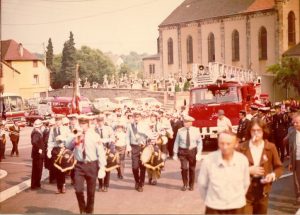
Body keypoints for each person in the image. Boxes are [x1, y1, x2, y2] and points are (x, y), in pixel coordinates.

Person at [238, 118, 283, 214]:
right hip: (245, 192)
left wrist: (272, 175)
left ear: (263, 131)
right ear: (249, 131)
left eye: (258, 130)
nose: (256, 133)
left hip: (263, 191)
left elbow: (279, 167)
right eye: (253, 130)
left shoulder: (270, 147)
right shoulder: (241, 148)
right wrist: (247, 170)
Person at [198, 131, 250, 214]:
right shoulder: (209, 160)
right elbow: (202, 184)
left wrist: (236, 199)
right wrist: (211, 201)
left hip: (236, 207)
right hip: (214, 208)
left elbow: (246, 183)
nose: (225, 147)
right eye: (222, 143)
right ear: (218, 143)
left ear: (235, 144)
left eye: (228, 144)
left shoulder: (242, 160)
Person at [66, 115, 106, 214]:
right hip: (79, 165)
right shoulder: (76, 135)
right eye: (80, 123)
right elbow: (68, 146)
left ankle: (89, 211)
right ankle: (82, 209)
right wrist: (74, 136)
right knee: (78, 190)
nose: (81, 125)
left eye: (83, 123)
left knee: (91, 192)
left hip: (91, 165)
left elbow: (100, 152)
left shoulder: (95, 136)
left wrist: (102, 167)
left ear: (88, 124)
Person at [173, 115, 203, 191]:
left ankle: (191, 185)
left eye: (187, 122)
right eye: (184, 122)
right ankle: (185, 184)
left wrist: (199, 153)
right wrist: (175, 153)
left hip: (192, 151)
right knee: (184, 168)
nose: (185, 124)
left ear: (191, 123)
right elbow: (176, 142)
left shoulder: (196, 130)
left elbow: (199, 142)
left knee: (192, 169)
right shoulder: (180, 131)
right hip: (182, 151)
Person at [47, 114, 71, 194]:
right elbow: (50, 141)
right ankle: (58, 187)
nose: (57, 122)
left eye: (59, 120)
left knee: (62, 169)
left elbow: (70, 138)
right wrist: (49, 151)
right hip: (55, 150)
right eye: (56, 120)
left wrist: (63, 139)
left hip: (63, 149)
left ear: (61, 120)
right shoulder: (52, 129)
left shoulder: (65, 128)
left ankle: (63, 185)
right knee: (56, 169)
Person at [126, 111, 148, 192]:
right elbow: (127, 136)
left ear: (140, 117)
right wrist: (128, 146)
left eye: (138, 117)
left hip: (143, 147)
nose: (136, 118)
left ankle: (141, 183)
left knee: (142, 166)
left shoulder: (144, 125)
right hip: (134, 147)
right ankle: (137, 181)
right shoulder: (129, 126)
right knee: (135, 167)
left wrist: (145, 141)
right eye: (135, 117)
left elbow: (148, 135)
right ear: (133, 117)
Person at [95, 114, 115, 192]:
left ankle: (106, 185)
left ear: (103, 121)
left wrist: (104, 140)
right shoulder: (95, 130)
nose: (100, 123)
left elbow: (112, 138)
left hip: (107, 149)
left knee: (107, 168)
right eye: (98, 121)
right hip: (98, 151)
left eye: (101, 121)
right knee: (99, 168)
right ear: (97, 122)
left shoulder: (108, 128)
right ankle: (100, 185)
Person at [288, 112, 300, 205]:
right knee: (296, 180)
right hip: (296, 160)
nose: (295, 124)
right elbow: (291, 150)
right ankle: (298, 196)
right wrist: (290, 163)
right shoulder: (292, 134)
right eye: (294, 123)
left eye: (297, 122)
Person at [31, 119, 46, 190]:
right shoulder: (36, 133)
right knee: (37, 169)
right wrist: (39, 149)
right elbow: (34, 142)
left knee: (37, 169)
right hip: (38, 154)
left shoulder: (36, 132)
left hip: (37, 154)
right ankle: (36, 184)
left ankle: (36, 184)